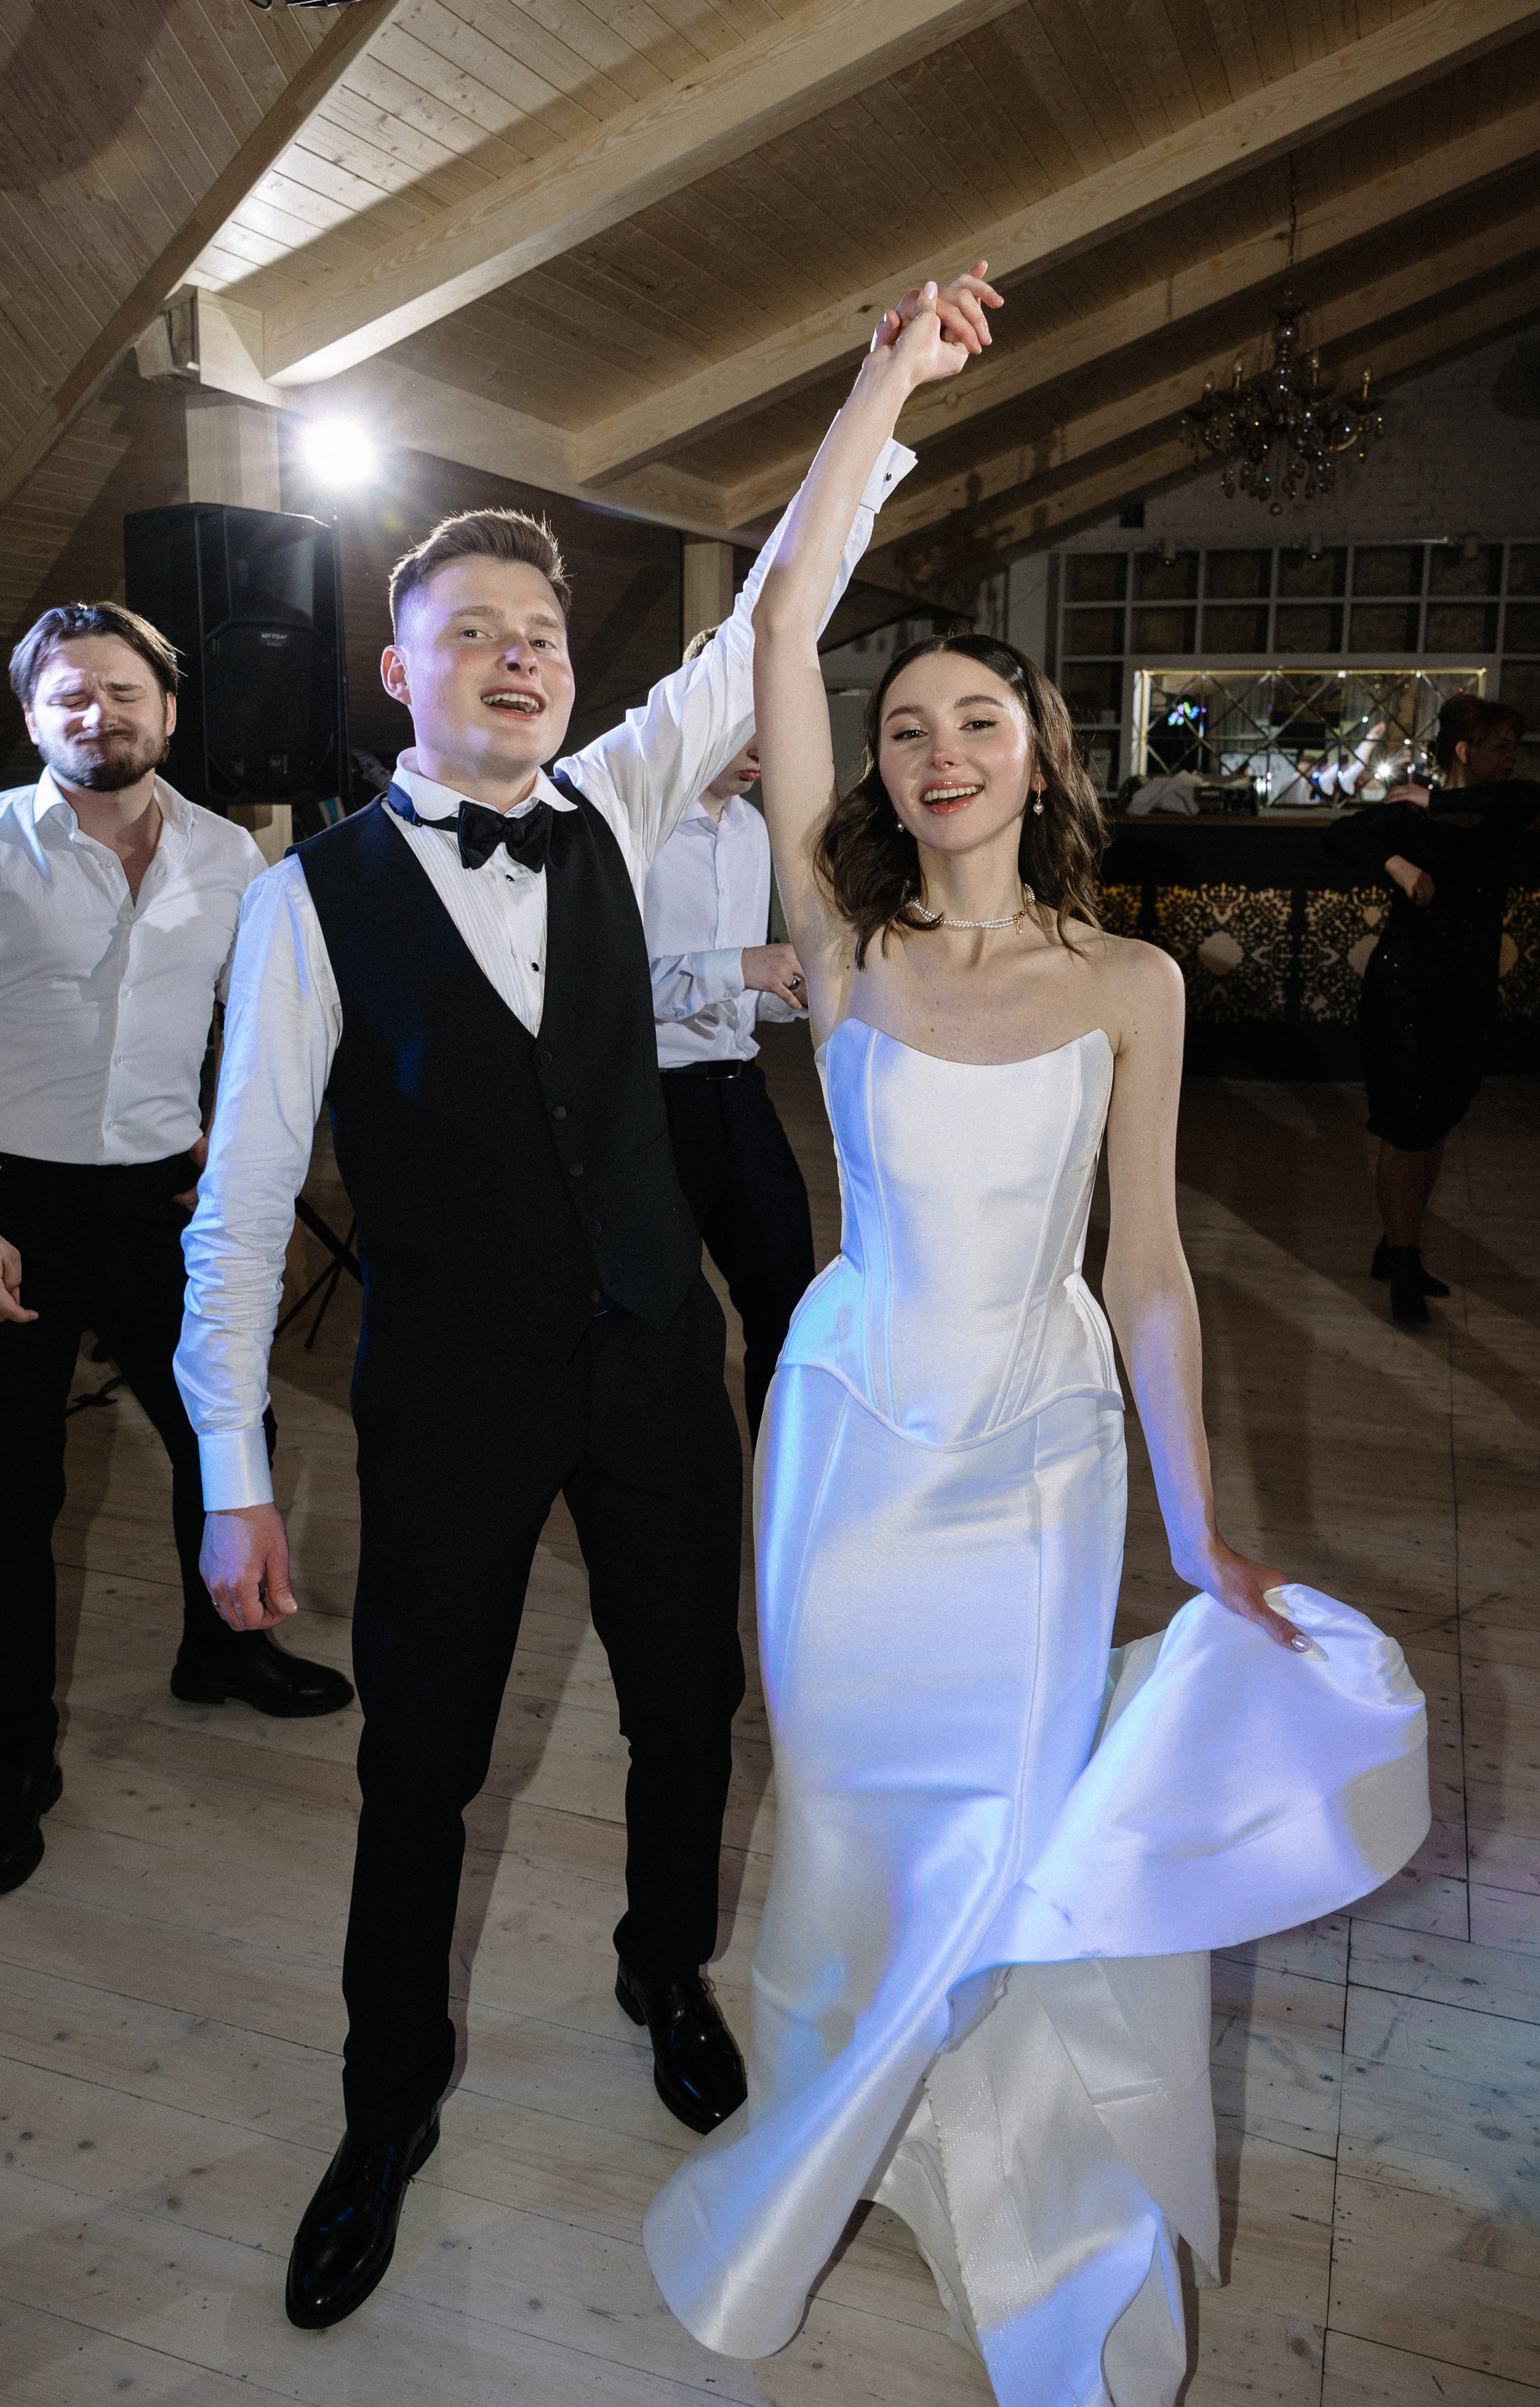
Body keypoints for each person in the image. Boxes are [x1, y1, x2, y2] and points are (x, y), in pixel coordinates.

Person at [642, 288, 1430, 2402]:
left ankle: (996, 2129)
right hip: (847, 1435)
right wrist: (883, 378)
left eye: (976, 720)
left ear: (1038, 755)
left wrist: (1199, 1530)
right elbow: (785, 616)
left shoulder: (1130, 985)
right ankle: (837, 2106)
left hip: (1044, 1454)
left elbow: (1151, 1270)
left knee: (997, 1813)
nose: (936, 751)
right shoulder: (842, 942)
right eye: (908, 727)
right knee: (840, 1808)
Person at [170, 322, 958, 2331]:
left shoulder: (614, 799)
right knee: (421, 1758)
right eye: (475, 633)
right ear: (399, 671)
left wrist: (881, 389)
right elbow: (242, 1208)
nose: (519, 657)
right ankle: (384, 2104)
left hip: (652, 1362)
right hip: (446, 1390)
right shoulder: (301, 903)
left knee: (689, 1705)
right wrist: (232, 1470)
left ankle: (658, 1967)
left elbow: (784, 609)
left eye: (540, 634)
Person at [0, 603, 353, 1903]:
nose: (97, 714)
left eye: (122, 692)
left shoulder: (235, 855)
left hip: (163, 1200)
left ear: (167, 712)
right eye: (69, 693)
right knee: (5, 1497)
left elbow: (260, 1031)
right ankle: (17, 1762)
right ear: (31, 715)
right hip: (1, 1203)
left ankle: (216, 1652)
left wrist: (228, 1161)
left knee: (228, 1437)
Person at [643, 649, 814, 1443]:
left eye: (768, 726)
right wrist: (743, 965)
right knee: (662, 1319)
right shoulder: (635, 826)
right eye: (744, 724)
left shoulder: (753, 831)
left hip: (741, 1092)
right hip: (650, 1107)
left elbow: (746, 994)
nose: (759, 748)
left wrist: (796, 990)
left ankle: (781, 1482)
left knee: (791, 1302)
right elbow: (602, 994)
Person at [1324, 694, 1537, 1323]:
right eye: (1501, 746)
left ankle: (1399, 1241)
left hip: (1467, 992)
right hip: (1407, 989)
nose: (1512, 757)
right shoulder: (1409, 820)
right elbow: (1339, 835)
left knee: (1437, 1121)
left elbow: (1527, 796)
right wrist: (1395, 863)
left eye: (1515, 746)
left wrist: (1433, 800)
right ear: (1466, 751)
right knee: (1407, 1127)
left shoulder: (1501, 812)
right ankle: (1404, 1263)